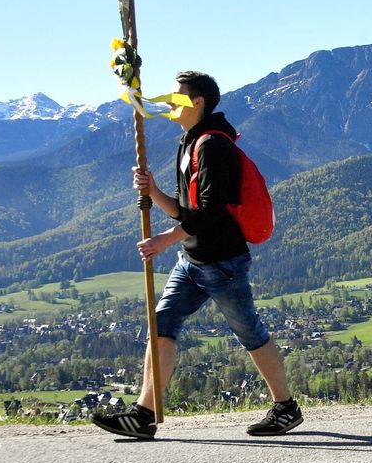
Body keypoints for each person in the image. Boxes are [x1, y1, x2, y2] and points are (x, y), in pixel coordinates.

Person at [92, 71, 301, 438]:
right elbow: (187, 211)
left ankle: (286, 408)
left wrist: (165, 240)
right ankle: (145, 413)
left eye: (178, 95)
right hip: (192, 260)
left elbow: (210, 212)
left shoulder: (211, 146)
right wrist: (154, 191)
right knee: (162, 323)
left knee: (250, 333)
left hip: (222, 263)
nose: (172, 101)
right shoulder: (189, 142)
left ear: (198, 101)